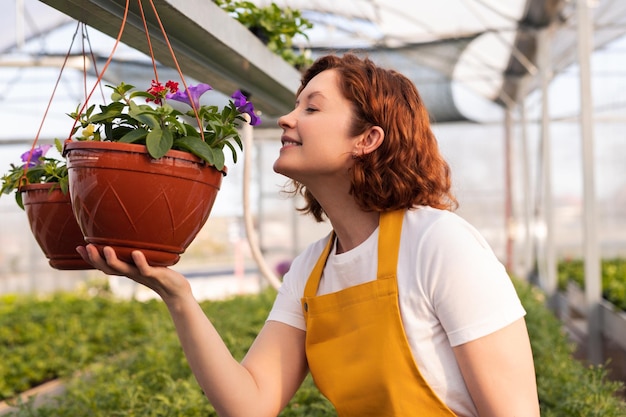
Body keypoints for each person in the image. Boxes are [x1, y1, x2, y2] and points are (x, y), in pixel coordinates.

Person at [77, 53, 540, 416]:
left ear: (368, 139)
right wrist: (177, 297)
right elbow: (251, 403)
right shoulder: (312, 271)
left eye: (311, 108)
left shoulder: (439, 243)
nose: (286, 118)